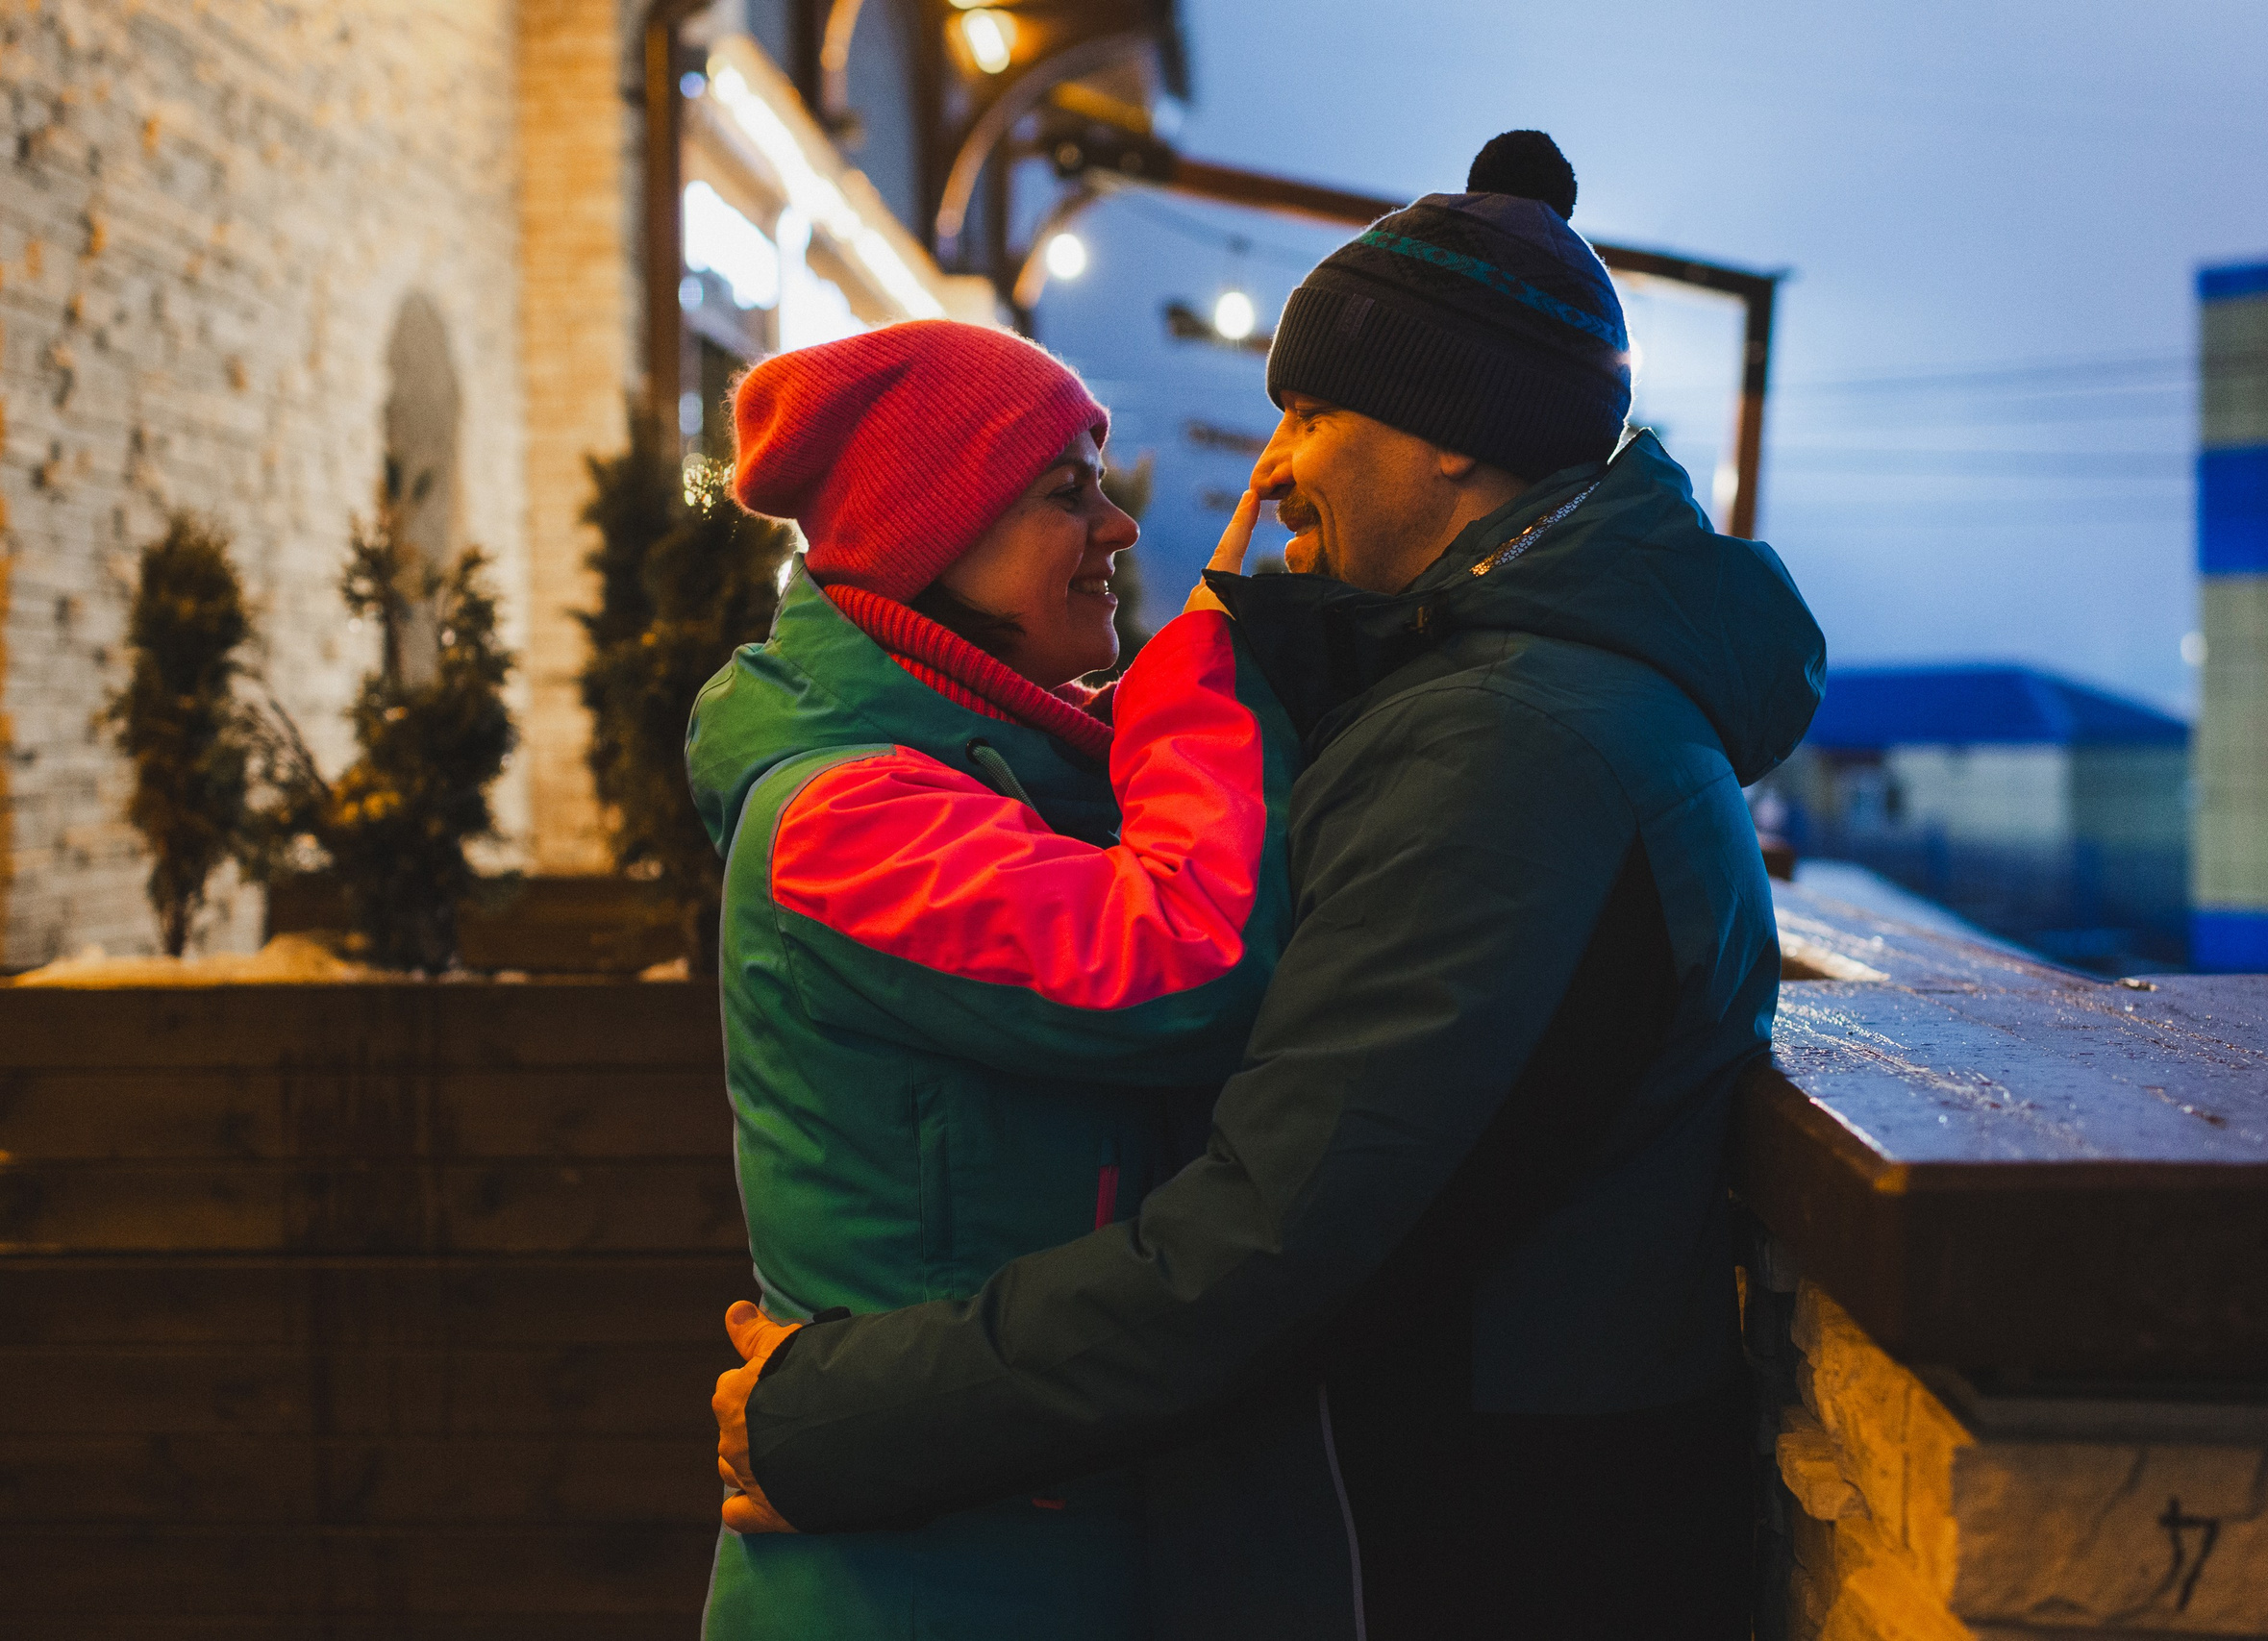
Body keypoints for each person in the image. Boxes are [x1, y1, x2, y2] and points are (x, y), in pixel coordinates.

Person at [711, 132, 1828, 1639]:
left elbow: (1269, 1237)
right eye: (1066, 493)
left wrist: (830, 1421)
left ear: (1454, 435)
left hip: (1464, 1540)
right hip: (1363, 1519)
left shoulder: (1507, 742)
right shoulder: (1512, 708)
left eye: (1307, 412)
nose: (1272, 464)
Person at [685, 318, 1300, 1639]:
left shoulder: (994, 780)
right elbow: (1184, 960)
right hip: (912, 1582)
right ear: (930, 539)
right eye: (1063, 496)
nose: (1120, 530)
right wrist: (1197, 687)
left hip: (993, 1534)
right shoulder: (849, 819)